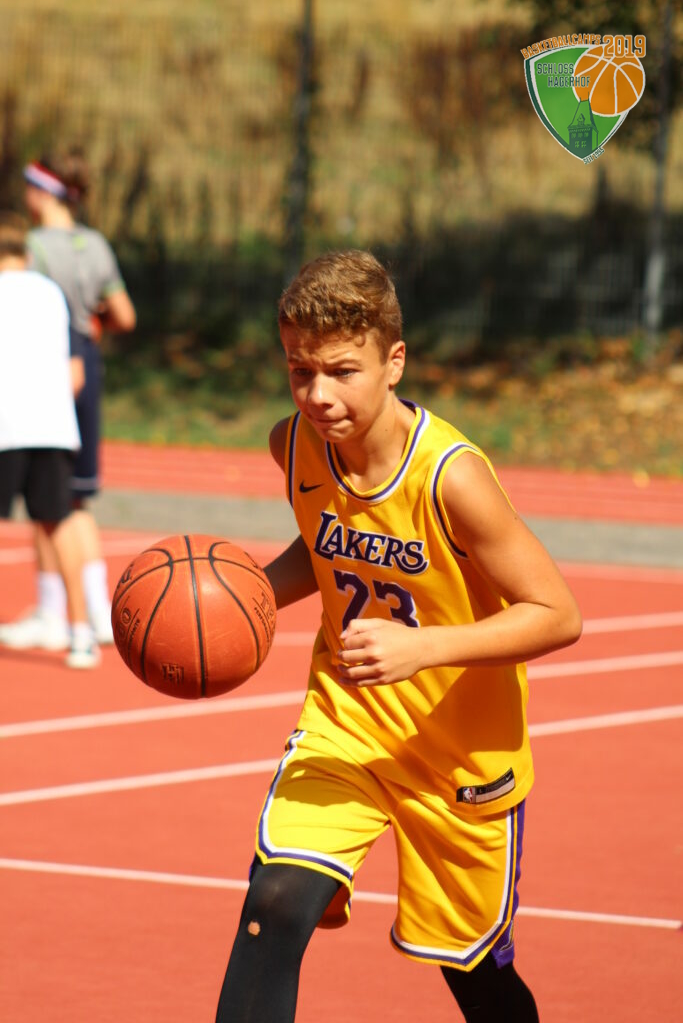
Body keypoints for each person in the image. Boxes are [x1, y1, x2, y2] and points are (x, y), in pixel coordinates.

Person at [215, 250, 583, 1023]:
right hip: (345, 727)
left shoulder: (451, 477)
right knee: (272, 905)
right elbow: (326, 543)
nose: (317, 394)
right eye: (298, 371)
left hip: (460, 757)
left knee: (472, 974)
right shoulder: (295, 445)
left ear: (394, 363)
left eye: (341, 371)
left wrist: (424, 647)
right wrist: (246, 596)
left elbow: (556, 613)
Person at [0, 149, 136, 652]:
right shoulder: (96, 244)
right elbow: (124, 315)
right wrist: (92, 321)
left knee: (46, 504)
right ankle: (95, 611)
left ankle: (52, 609)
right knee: (72, 497)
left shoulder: (30, 248)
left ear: (42, 192)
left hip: (37, 374)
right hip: (85, 364)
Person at [0, 212, 99, 669]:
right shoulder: (51, 293)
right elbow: (72, 370)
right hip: (54, 426)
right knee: (57, 525)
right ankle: (80, 633)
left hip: (7, 425)